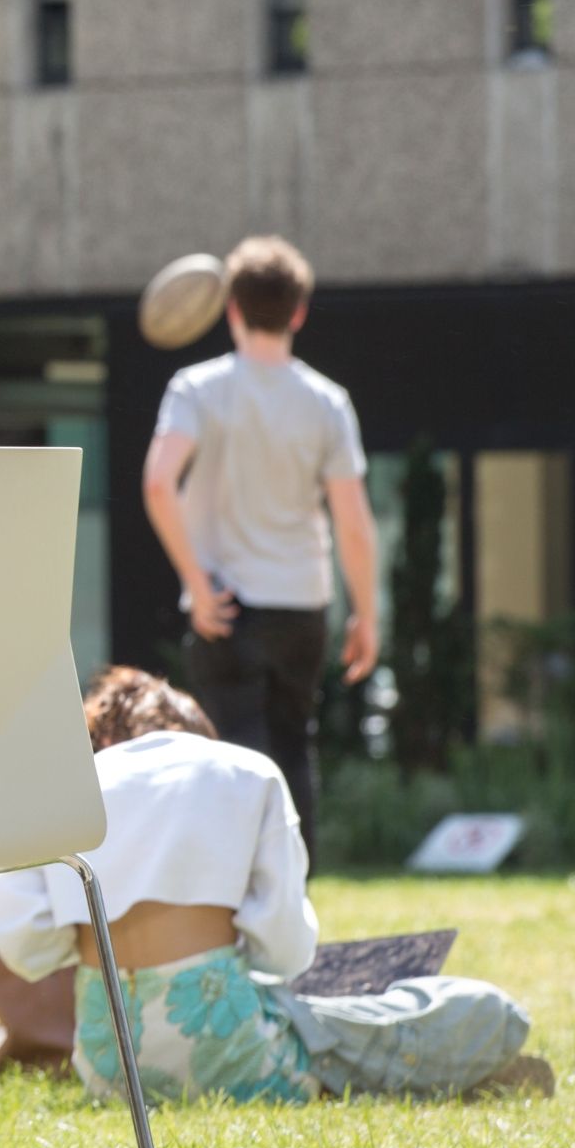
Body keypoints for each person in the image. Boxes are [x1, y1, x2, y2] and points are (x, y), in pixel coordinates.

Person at [0, 669, 549, 1103]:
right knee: (481, 1009)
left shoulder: (64, 785)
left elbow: (24, 947)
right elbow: (285, 947)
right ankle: (450, 1077)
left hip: (106, 1068)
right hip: (233, 1051)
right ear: (197, 730)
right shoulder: (244, 771)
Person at [142, 235, 380, 865]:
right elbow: (353, 520)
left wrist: (195, 579)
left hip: (227, 602)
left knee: (234, 757)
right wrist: (367, 613)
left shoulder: (196, 388)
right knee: (293, 748)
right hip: (303, 604)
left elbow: (158, 482)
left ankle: (236, 901)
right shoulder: (327, 402)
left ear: (232, 310)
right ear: (298, 312)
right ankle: (292, 904)